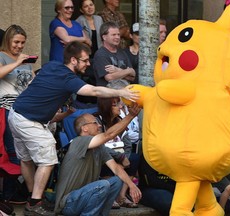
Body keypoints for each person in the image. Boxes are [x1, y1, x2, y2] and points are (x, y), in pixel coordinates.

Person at [8, 41, 139, 216]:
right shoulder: (68, 79)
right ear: (73, 60)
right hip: (29, 121)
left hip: (16, 113)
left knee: (26, 159)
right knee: (48, 160)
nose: (88, 64)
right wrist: (121, 92)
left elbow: (38, 87)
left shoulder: (52, 66)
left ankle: (34, 198)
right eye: (84, 60)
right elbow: (94, 91)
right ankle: (34, 203)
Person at [54, 104, 142, 215]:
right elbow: (108, 135)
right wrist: (130, 116)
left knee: (116, 181)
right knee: (103, 184)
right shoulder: (78, 142)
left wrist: (132, 185)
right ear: (84, 128)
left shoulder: (100, 148)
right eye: (95, 123)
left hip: (86, 197)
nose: (99, 125)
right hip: (68, 203)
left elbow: (116, 169)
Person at [0, 24, 34, 203]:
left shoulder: (25, 60)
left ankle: (22, 192)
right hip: (7, 110)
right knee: (12, 152)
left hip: (25, 110)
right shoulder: (2, 56)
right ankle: (8, 195)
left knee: (25, 153)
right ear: (8, 40)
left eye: (22, 42)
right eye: (16, 42)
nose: (20, 46)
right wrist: (18, 62)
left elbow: (31, 84)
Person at [94, 97, 139, 208]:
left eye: (120, 104)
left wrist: (125, 158)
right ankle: (111, 196)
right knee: (107, 160)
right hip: (104, 156)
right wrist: (120, 157)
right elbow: (98, 145)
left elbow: (128, 145)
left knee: (135, 158)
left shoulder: (119, 121)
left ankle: (121, 196)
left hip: (120, 157)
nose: (120, 107)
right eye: (115, 105)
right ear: (106, 107)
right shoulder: (96, 121)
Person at [74, 0, 104, 108]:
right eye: (86, 6)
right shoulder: (79, 21)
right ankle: (86, 105)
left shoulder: (99, 19)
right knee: (88, 79)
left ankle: (97, 104)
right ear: (82, 10)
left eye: (91, 5)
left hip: (99, 55)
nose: (89, 8)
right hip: (87, 55)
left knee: (98, 79)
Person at [93, 21, 135, 87]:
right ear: (104, 37)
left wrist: (117, 70)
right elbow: (109, 77)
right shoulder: (100, 54)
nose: (117, 37)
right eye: (113, 35)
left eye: (118, 34)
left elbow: (132, 77)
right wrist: (128, 71)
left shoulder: (122, 53)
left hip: (126, 92)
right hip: (109, 94)